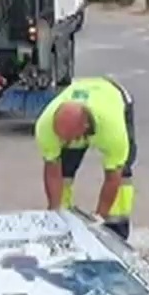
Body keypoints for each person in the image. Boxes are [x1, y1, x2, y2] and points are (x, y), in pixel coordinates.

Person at [34, 77, 137, 239]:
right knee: (64, 172)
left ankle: (116, 230)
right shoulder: (45, 127)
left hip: (113, 96)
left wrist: (99, 218)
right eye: (62, 138)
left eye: (69, 138)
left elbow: (112, 177)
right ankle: (63, 219)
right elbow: (53, 171)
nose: (65, 142)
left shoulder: (112, 130)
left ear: (85, 128)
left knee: (122, 175)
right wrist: (54, 212)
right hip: (82, 103)